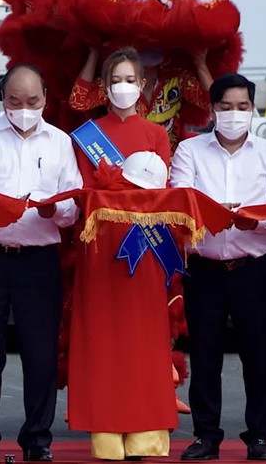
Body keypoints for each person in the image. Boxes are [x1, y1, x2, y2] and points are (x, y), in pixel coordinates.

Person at [0, 64, 83, 462]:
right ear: (3, 100)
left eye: (32, 101)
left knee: (40, 352)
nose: (24, 109)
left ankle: (38, 440)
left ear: (45, 99)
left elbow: (72, 203)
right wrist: (2, 208)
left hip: (38, 259)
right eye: (14, 101)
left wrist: (53, 210)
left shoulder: (60, 142)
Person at [169, 73, 266, 461]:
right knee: (205, 356)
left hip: (252, 267)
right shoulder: (190, 151)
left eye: (242, 106)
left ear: (253, 109)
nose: (234, 114)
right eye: (225, 107)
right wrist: (212, 214)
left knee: (258, 357)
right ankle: (206, 435)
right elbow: (180, 199)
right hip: (204, 269)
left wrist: (257, 221)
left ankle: (259, 436)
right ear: (213, 109)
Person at [67, 48, 177, 460]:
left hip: (145, 246)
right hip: (101, 246)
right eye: (116, 80)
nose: (123, 88)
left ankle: (146, 433)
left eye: (131, 80)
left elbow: (164, 192)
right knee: (104, 339)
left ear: (143, 85)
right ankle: (108, 435)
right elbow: (82, 194)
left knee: (144, 338)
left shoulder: (156, 135)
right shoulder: (88, 135)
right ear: (104, 86)